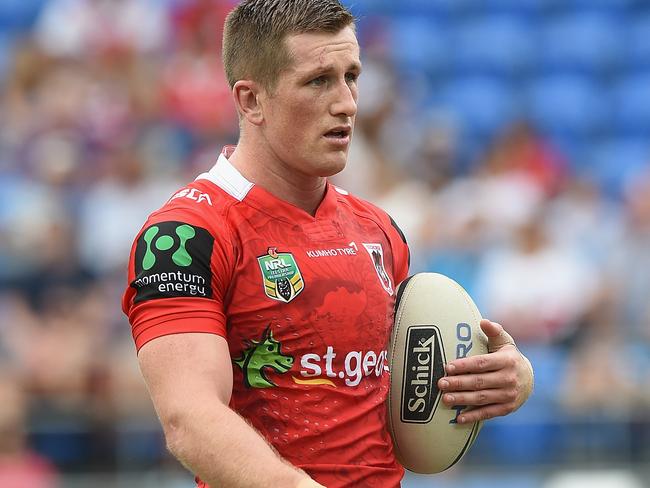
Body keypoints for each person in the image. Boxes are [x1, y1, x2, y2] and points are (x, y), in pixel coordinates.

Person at [121, 1, 534, 487]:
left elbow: (403, 391)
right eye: (319, 81)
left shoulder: (378, 228)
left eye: (352, 76)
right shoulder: (184, 235)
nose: (347, 103)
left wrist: (504, 377)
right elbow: (189, 421)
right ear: (251, 101)